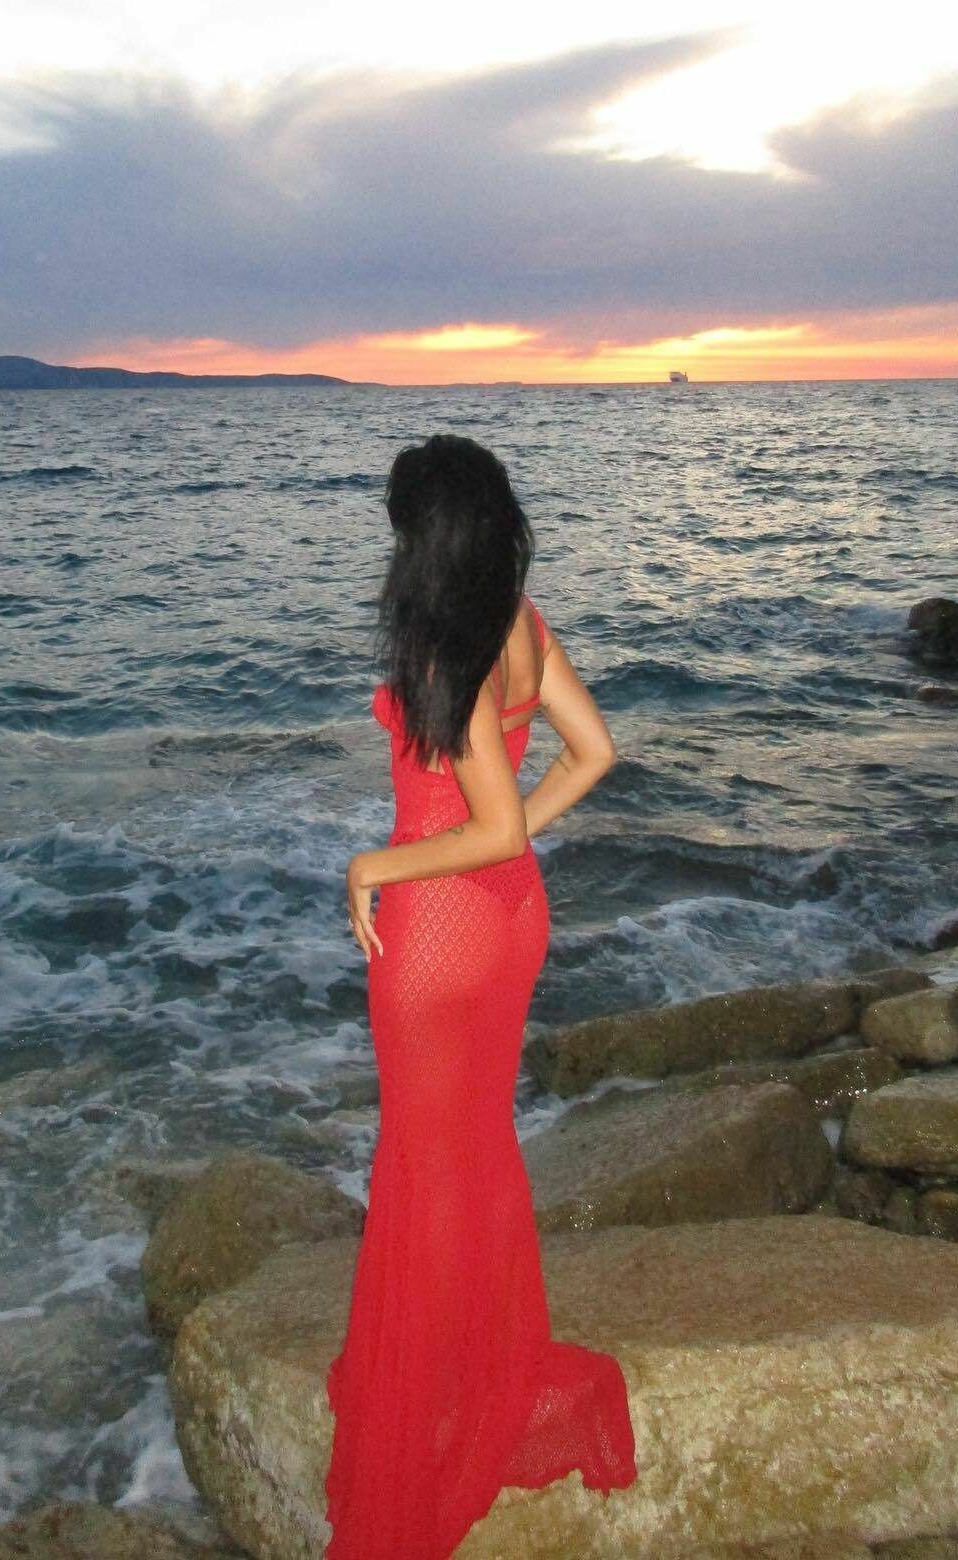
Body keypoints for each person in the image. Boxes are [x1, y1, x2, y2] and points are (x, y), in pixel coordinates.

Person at [324, 433, 638, 1560]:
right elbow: (591, 754)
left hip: (440, 935)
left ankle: (431, 1399)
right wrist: (507, 843)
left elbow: (489, 823)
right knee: (477, 1148)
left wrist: (376, 865)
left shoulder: (440, 650)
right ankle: (470, 1363)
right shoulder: (522, 624)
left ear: (425, 540)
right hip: (511, 924)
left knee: (423, 1159)